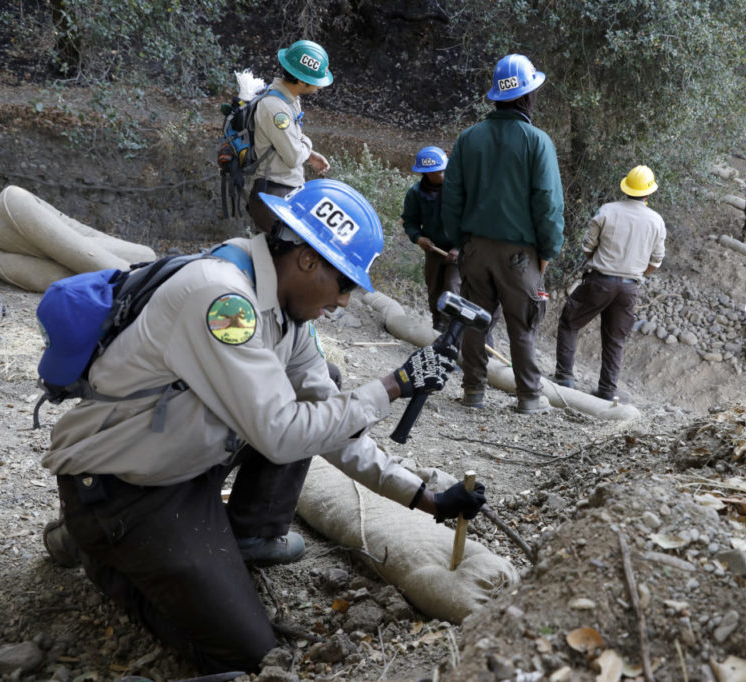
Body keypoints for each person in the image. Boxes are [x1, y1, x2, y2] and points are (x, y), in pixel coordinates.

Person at [38, 179, 486, 674]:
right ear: (308, 260)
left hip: (186, 463)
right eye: (345, 284)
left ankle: (248, 534)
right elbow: (282, 434)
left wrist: (424, 497)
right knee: (249, 654)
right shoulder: (221, 299)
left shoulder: (287, 313)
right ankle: (100, 551)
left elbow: (332, 420)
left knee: (326, 389)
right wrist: (394, 386)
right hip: (126, 488)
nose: (343, 302)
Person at [442, 53, 565, 415]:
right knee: (523, 325)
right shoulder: (537, 141)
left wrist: (460, 242)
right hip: (520, 255)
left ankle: (473, 392)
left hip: (475, 249)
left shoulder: (469, 138)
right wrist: (548, 250)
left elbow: (451, 197)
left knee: (476, 322)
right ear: (528, 96)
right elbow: (548, 203)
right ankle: (528, 397)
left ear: (497, 94)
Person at [553, 165, 666, 401]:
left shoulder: (607, 211)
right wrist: (634, 274)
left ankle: (564, 377)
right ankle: (607, 390)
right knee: (615, 339)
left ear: (626, 187)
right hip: (629, 287)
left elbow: (587, 248)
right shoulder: (656, 221)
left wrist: (603, 264)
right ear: (649, 192)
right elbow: (656, 262)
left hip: (599, 280)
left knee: (569, 322)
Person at [246, 40, 334, 233]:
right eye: (316, 81)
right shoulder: (276, 108)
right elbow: (293, 156)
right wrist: (307, 144)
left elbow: (290, 142)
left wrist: (310, 154)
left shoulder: (289, 101)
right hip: (274, 193)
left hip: (284, 192)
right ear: (301, 80)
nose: (320, 86)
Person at [402, 146, 460, 331]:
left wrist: (460, 247)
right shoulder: (416, 193)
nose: (441, 175)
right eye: (437, 173)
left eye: (443, 170)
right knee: (434, 292)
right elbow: (409, 222)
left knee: (452, 290)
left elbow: (472, 222)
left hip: (458, 252)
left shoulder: (459, 191)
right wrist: (418, 238)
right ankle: (437, 331)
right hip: (434, 250)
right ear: (426, 173)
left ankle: (453, 335)